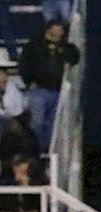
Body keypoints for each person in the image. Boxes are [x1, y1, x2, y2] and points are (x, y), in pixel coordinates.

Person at [17, 19, 78, 150]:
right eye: (58, 28)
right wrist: (29, 82)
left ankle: (47, 149)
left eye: (62, 29)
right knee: (37, 122)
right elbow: (23, 64)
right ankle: (35, 149)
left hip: (56, 90)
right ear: (50, 28)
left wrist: (62, 49)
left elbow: (75, 56)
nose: (60, 31)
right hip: (38, 90)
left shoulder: (65, 46)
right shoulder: (34, 45)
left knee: (53, 124)